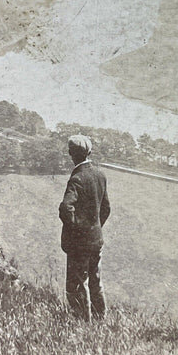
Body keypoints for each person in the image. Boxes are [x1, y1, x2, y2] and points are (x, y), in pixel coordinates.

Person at [59, 135, 110, 321]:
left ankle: (81, 323)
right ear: (90, 152)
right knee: (95, 280)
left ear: (71, 154)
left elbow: (66, 207)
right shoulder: (100, 175)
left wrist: (77, 232)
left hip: (80, 243)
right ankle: (100, 319)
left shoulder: (77, 179)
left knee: (77, 284)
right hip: (96, 240)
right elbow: (106, 208)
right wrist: (94, 228)